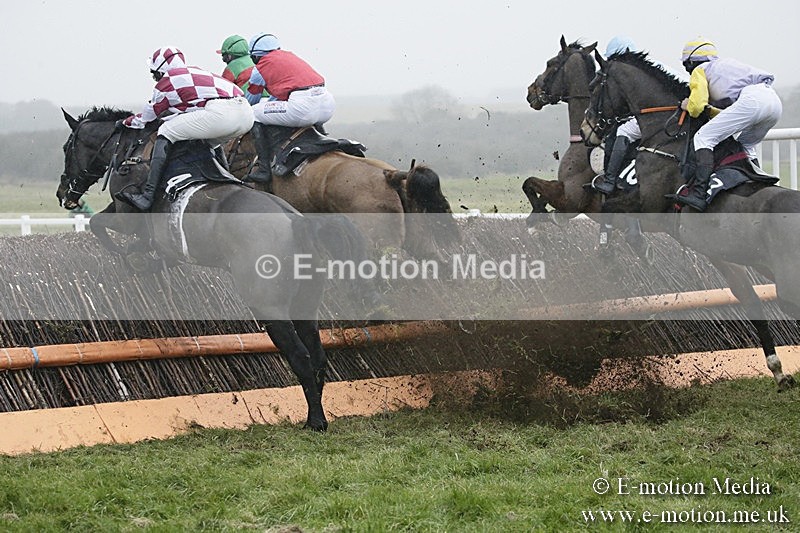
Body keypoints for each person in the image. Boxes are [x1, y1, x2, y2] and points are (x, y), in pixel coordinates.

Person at [118, 46, 254, 211]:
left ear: (162, 70)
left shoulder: (167, 82)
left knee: (165, 131)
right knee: (209, 142)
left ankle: (147, 196)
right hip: (247, 114)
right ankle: (228, 178)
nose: (155, 78)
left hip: (223, 113)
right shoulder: (194, 72)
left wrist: (125, 122)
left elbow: (147, 117)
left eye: (155, 73)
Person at [676, 37, 781, 211]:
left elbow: (697, 106)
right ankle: (757, 180)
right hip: (773, 101)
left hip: (752, 101)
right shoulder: (724, 66)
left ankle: (699, 193)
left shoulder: (700, 70)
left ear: (691, 62)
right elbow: (727, 114)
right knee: (746, 144)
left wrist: (687, 105)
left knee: (703, 138)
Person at [244, 33, 336, 184]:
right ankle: (324, 139)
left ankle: (263, 168)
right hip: (327, 104)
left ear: (255, 56)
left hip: (303, 107)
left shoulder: (260, 68)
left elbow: (251, 102)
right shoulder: (289, 57)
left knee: (254, 114)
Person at [592, 36, 641, 194]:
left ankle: (610, 180)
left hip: (659, 119)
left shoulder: (629, 75)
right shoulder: (646, 68)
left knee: (623, 131)